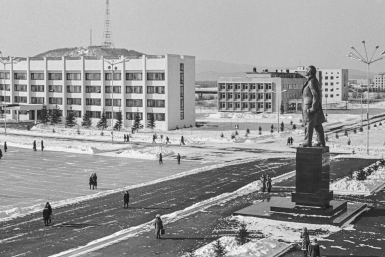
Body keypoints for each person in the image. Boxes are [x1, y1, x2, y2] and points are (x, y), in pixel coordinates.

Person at [301, 66, 326, 147]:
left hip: (309, 106)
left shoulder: (311, 81)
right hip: (313, 105)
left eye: (307, 70)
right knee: (317, 124)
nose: (306, 71)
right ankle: (321, 141)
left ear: (311, 71)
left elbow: (315, 94)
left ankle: (307, 141)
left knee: (308, 124)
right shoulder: (313, 80)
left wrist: (313, 107)